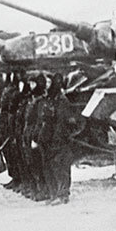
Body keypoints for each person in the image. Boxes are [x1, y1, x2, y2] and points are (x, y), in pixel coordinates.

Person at [37, 72, 74, 205]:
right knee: (50, 167)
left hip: (58, 140)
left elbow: (61, 122)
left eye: (48, 82)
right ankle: (54, 194)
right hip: (48, 139)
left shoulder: (61, 100)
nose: (46, 85)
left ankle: (63, 195)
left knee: (61, 166)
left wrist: (56, 138)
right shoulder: (49, 99)